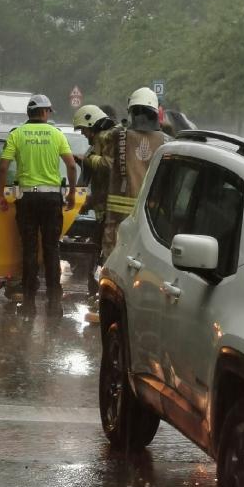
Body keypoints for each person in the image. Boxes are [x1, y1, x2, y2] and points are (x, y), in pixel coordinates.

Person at [88, 87, 166, 323]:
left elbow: (96, 138)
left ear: (131, 111)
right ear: (155, 113)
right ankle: (143, 308)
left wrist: (89, 158)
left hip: (118, 214)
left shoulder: (117, 135)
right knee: (148, 264)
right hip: (150, 216)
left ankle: (106, 304)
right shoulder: (166, 141)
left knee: (112, 259)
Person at [0, 94, 77, 318]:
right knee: (52, 249)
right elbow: (71, 166)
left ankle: (29, 301)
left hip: (27, 200)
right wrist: (71, 192)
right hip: (52, 199)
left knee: (30, 249)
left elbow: (3, 167)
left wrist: (0, 194)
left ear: (29, 113)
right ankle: (54, 301)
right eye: (49, 111)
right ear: (45, 112)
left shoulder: (17, 134)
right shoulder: (56, 134)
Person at [72, 105, 117, 295]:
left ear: (92, 124)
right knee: (98, 253)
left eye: (84, 130)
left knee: (105, 256)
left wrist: (87, 159)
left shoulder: (104, 139)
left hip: (110, 214)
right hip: (105, 212)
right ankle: (98, 293)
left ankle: (103, 295)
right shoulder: (100, 143)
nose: (84, 134)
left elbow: (108, 170)